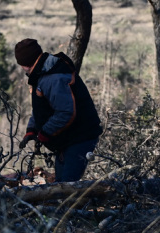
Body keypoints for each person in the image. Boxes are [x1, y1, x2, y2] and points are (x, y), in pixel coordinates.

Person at [16, 38, 102, 182]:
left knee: (66, 187)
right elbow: (42, 109)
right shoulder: (42, 73)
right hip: (66, 140)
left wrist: (44, 133)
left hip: (80, 138)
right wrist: (32, 129)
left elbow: (65, 113)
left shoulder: (52, 77)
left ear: (25, 64)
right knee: (59, 185)